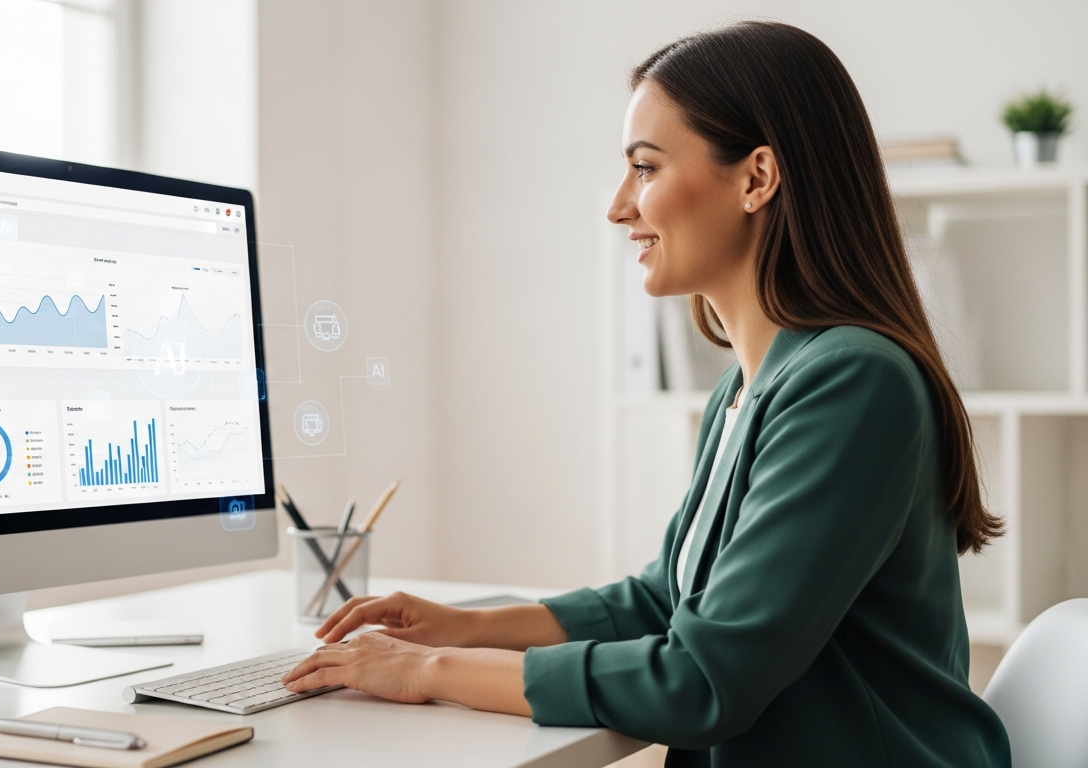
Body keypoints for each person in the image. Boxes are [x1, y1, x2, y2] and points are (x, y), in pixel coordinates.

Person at [283, 20, 1012, 767]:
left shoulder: (852, 382)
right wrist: (461, 630)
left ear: (757, 178)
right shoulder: (749, 387)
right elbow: (667, 600)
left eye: (646, 168)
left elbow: (702, 679)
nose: (620, 206)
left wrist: (430, 673)